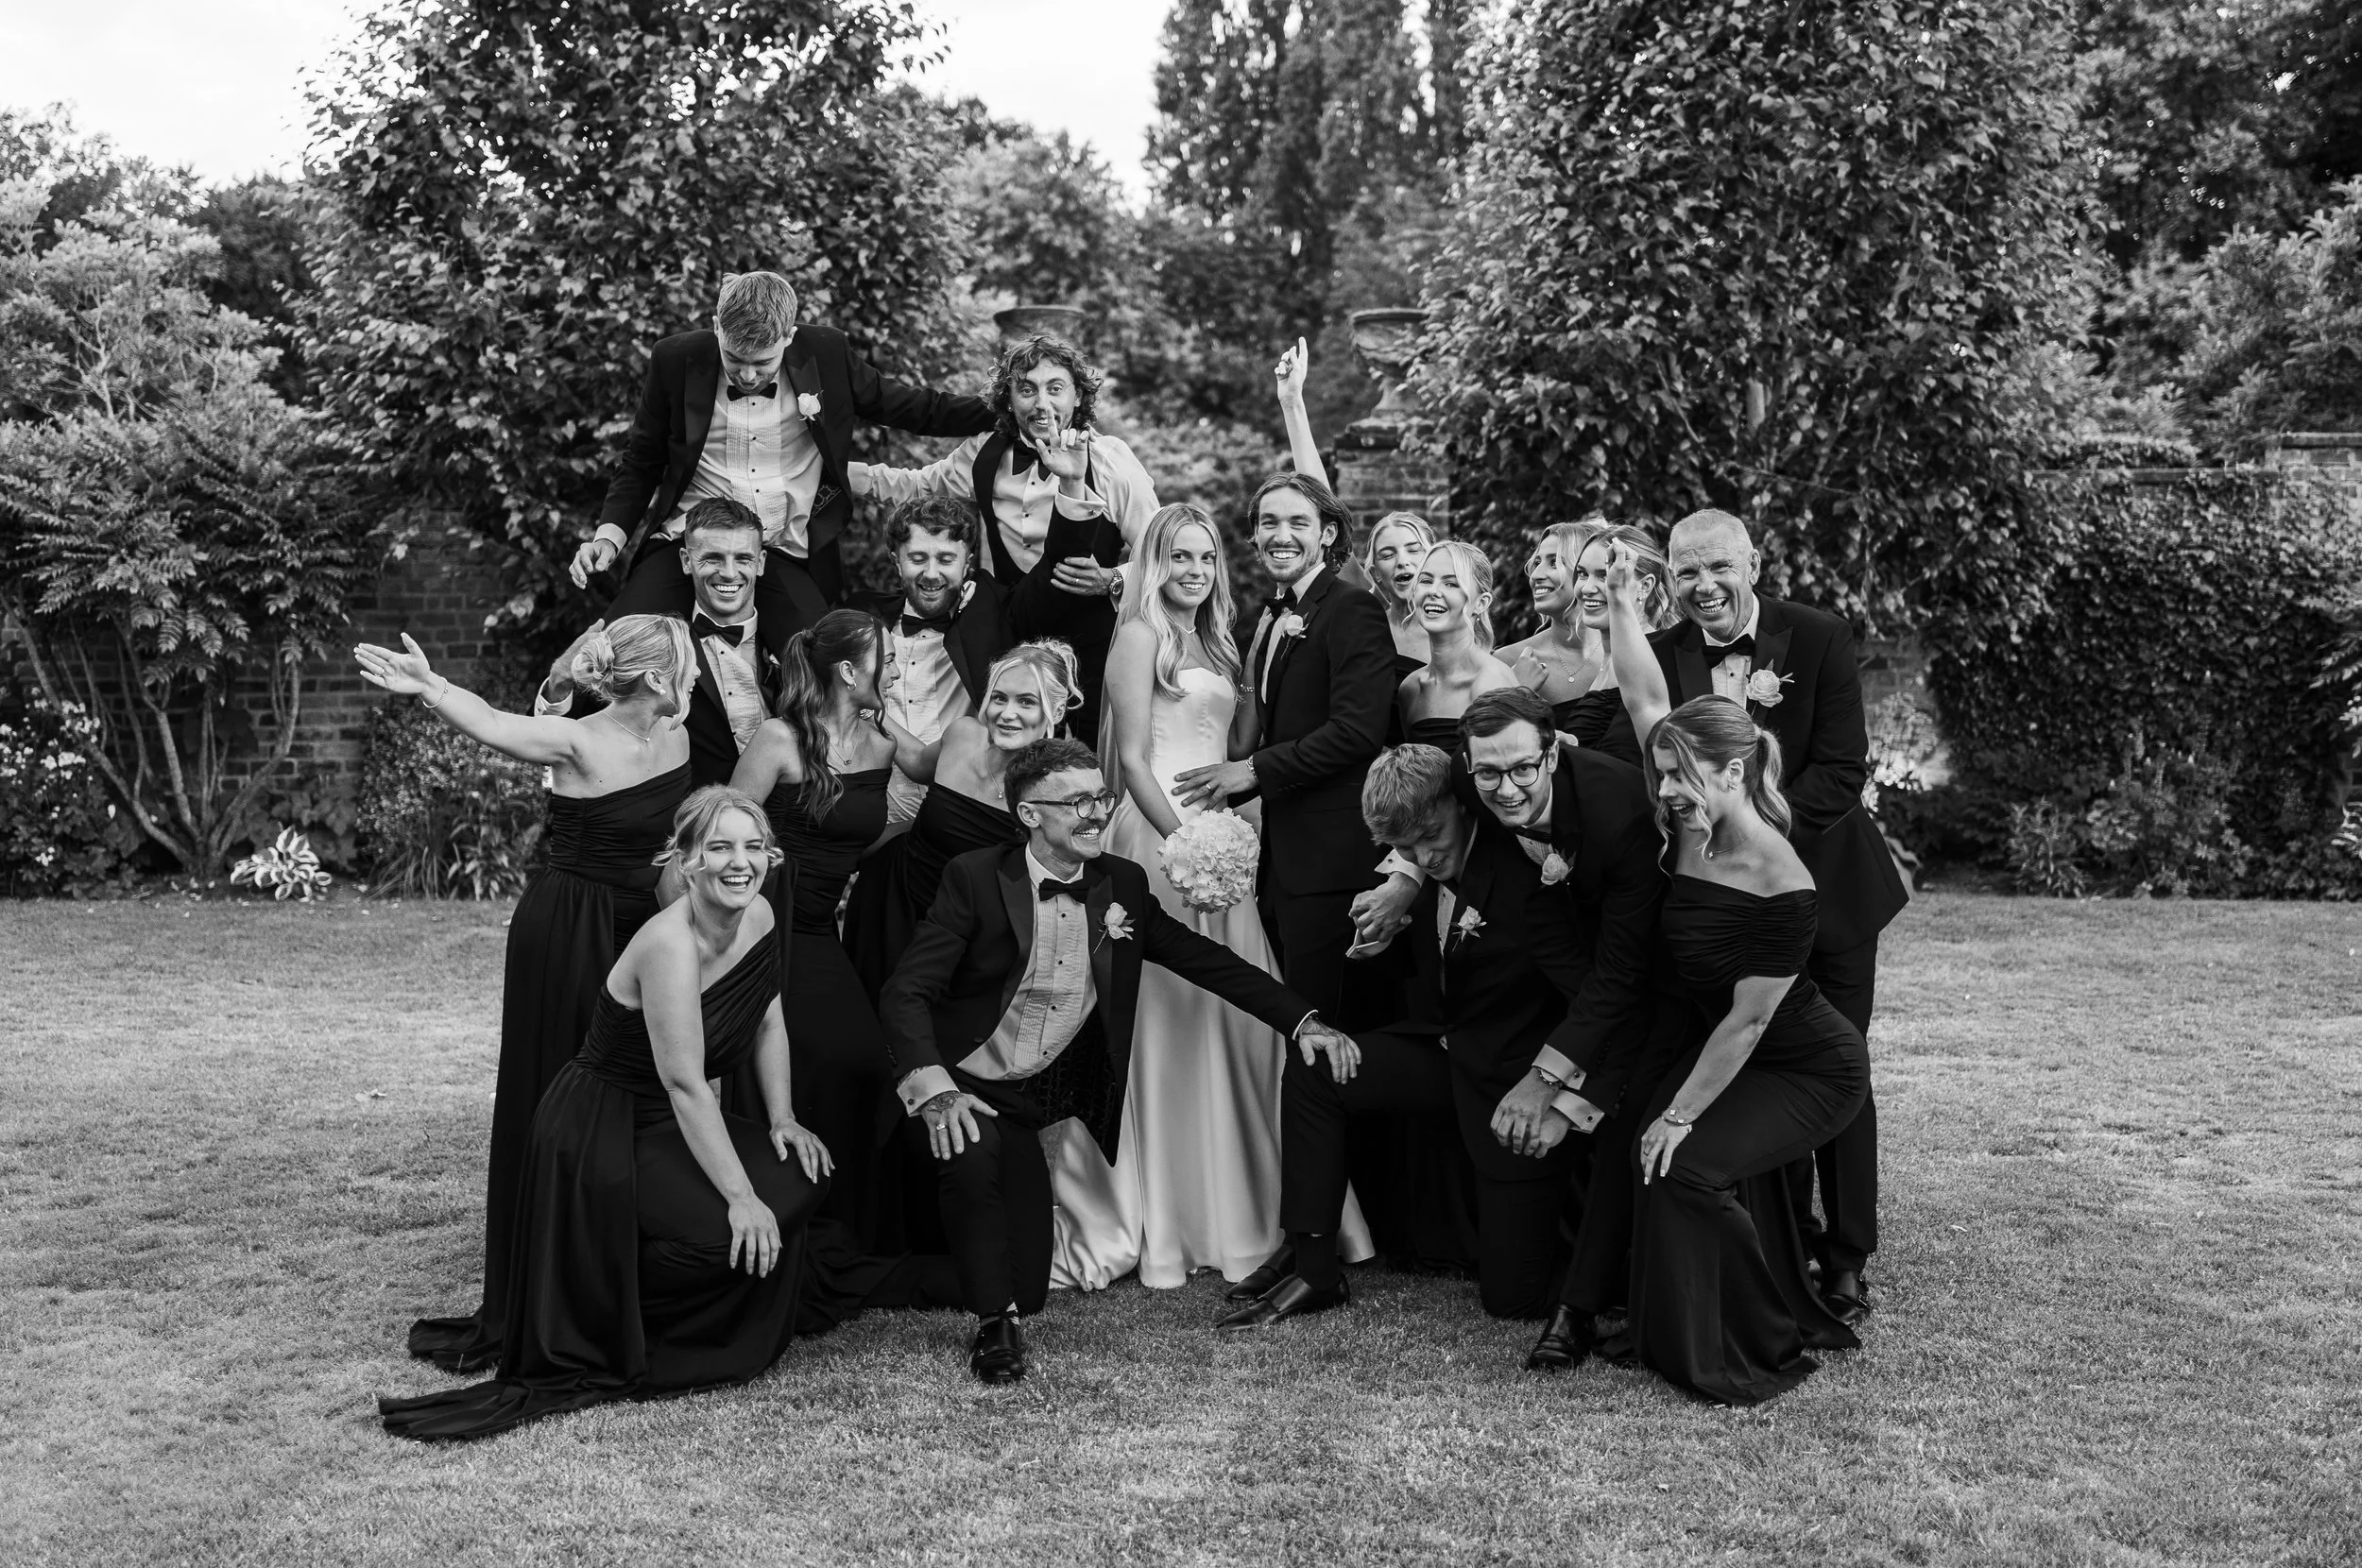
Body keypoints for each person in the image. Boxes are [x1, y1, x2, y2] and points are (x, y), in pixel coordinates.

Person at [379, 788, 951, 1441]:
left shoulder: (759, 914)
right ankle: (623, 1315)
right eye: (720, 849)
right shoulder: (667, 945)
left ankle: (702, 1291)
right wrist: (739, 1196)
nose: (740, 863)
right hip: (603, 1124)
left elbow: (767, 1018)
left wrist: (783, 1117)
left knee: (803, 1178)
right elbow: (685, 1084)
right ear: (686, 860)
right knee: (728, 1222)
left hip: (670, 1114)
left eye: (753, 847)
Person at [878, 738, 1358, 1384]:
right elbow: (906, 991)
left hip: (1027, 1102)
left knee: (1033, 1283)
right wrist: (935, 1092)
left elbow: (1201, 959)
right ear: (1028, 815)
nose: (1095, 813)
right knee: (971, 1158)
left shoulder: (1120, 884)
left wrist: (1303, 1021)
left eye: (1099, 798)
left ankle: (874, 1275)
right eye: (1075, 802)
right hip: (963, 1082)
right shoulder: (974, 877)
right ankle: (995, 1327)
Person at [356, 616, 697, 1373]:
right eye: (689, 665)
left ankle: (626, 1271)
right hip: (571, 929)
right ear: (656, 679)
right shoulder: (578, 741)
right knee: (564, 1091)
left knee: (642, 1094)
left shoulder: (675, 738)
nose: (699, 677)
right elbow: (492, 724)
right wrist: (431, 686)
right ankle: (546, 1281)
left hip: (648, 924)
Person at [1603, 509, 1908, 1322]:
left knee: (1837, 1067)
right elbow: (1628, 740)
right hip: (1729, 917)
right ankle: (1786, 1236)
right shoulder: (1665, 656)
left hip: (1830, 895)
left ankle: (1846, 1257)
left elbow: (1841, 773)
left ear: (1753, 564)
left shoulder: (1816, 636)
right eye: (1687, 573)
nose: (1703, 588)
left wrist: (1747, 840)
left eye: (1718, 569)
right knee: (1752, 1064)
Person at [1215, 743, 1608, 1331]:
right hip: (1445, 1056)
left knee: (1513, 1300)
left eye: (1430, 837)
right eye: (1404, 850)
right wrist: (1383, 943)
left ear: (1462, 802)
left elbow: (1598, 1002)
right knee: (1317, 1064)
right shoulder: (1412, 876)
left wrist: (1562, 1095)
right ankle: (1316, 1266)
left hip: (1516, 1084)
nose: (1423, 856)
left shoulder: (1533, 871)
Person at [1097, 503, 1375, 1289]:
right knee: (1170, 1016)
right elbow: (1131, 758)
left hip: (1223, 845)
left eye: (1206, 558)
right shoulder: (1139, 638)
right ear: (1155, 563)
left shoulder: (1225, 637)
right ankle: (1175, 1209)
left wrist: (1257, 660)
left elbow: (1242, 746)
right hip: (1159, 838)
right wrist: (1179, 839)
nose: (1194, 571)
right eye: (1179, 557)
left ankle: (1253, 1203)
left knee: (1245, 1015)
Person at [1624, 699, 1869, 1404]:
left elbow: (1748, 1024)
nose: (1665, 790)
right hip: (1742, 1050)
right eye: (1661, 773)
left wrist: (1680, 1115)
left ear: (1734, 771)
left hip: (1808, 1067)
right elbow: (1643, 696)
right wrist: (1618, 602)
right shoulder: (1689, 827)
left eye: (1680, 776)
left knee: (1686, 1166)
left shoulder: (1779, 876)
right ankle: (1673, 1332)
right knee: (1640, 1155)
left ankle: (1758, 1337)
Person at [571, 270, 995, 652]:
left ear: (789, 337)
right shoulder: (675, 359)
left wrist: (1007, 410)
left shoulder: (826, 354)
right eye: (736, 360)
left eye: (763, 363)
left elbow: (915, 408)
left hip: (782, 548)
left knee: (822, 665)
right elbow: (641, 460)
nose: (750, 376)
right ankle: (558, 727)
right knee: (613, 650)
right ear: (718, 329)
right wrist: (608, 537)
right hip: (686, 542)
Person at [850, 334, 1155, 744]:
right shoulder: (984, 453)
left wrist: (1112, 580)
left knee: (1087, 750)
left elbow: (1160, 553)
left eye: (1055, 388)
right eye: (1026, 389)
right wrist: (836, 468)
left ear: (1079, 397)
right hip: (1014, 626)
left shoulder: (1112, 462)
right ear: (1009, 399)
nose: (1041, 403)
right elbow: (918, 486)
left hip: (1092, 630)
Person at [1172, 472, 1395, 1030]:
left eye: (1298, 522)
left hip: (1333, 865)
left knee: (1330, 1031)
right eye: (1269, 522)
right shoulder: (1272, 617)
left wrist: (1248, 772)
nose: (1282, 534)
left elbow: (1356, 731)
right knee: (1298, 1026)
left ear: (1327, 535)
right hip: (1282, 862)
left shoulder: (1351, 609)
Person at [730, 609, 899, 1247]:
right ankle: (786, 1217)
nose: (900, 669)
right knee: (800, 1067)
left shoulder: (882, 744)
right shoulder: (778, 739)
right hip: (767, 926)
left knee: (861, 1066)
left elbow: (932, 771)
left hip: (822, 933)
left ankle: (846, 1224)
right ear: (851, 671)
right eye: (890, 659)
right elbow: (729, 831)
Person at [845, 640, 1077, 1003]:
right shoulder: (964, 735)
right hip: (889, 903)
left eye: (1027, 702)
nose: (1007, 713)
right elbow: (919, 762)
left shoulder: (1061, 789)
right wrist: (866, 707)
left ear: (1057, 709)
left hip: (965, 942)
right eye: (999, 698)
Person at [539, 499, 781, 789]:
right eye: (713, 558)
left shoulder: (792, 641)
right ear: (686, 560)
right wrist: (560, 681)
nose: (729, 572)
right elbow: (559, 746)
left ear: (761, 562)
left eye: (743, 558)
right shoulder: (652, 648)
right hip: (680, 823)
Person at [842, 495, 1018, 823]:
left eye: (946, 559)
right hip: (870, 812)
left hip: (961, 811)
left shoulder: (990, 616)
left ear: (967, 564)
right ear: (897, 562)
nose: (931, 573)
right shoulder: (862, 615)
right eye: (918, 558)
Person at [1395, 539, 1520, 750]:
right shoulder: (1411, 688)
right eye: (1426, 580)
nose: (1433, 591)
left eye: (1451, 584)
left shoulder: (1490, 681)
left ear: (1481, 603)